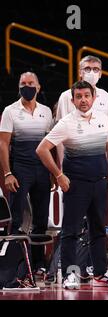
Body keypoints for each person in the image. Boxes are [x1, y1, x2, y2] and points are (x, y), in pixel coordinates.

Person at [36, 80, 108, 290]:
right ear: (72, 100)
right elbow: (42, 149)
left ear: (93, 97)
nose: (83, 100)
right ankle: (69, 275)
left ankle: (100, 273)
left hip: (100, 183)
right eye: (79, 96)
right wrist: (58, 175)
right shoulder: (66, 122)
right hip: (76, 185)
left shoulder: (102, 118)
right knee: (71, 231)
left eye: (87, 96)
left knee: (98, 230)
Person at [0, 72, 53, 275]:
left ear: (38, 87)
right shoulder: (10, 111)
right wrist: (7, 173)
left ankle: (38, 264)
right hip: (20, 169)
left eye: (31, 83)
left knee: (41, 219)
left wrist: (53, 171)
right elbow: (3, 145)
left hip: (42, 170)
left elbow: (52, 145)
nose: (27, 86)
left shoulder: (47, 112)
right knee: (17, 219)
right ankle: (14, 265)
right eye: (23, 84)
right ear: (18, 87)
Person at [55, 55, 108, 166]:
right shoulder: (66, 96)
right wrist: (62, 167)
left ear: (100, 73)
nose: (92, 72)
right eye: (87, 69)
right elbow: (59, 137)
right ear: (80, 73)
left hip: (99, 161)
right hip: (74, 160)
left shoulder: (105, 96)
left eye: (95, 69)